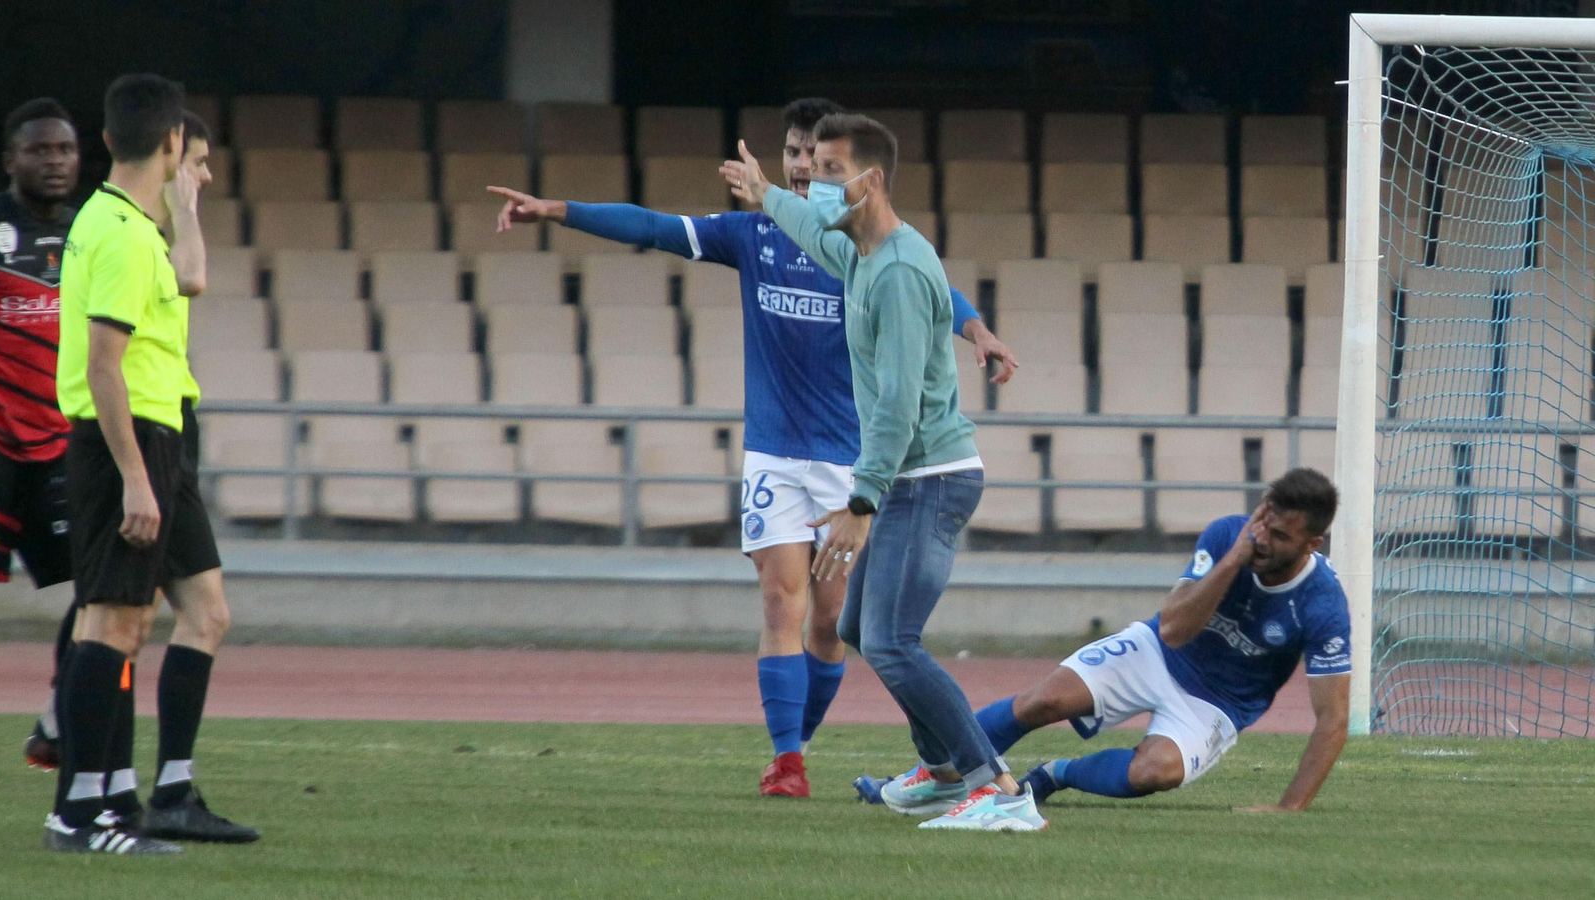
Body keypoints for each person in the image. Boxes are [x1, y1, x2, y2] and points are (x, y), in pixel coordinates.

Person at [489, 98, 1019, 799]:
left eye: (824, 161)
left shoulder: (873, 256)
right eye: (800, 155)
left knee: (844, 624)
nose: (809, 169)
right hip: (781, 450)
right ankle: (797, 758)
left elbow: (921, 310)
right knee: (797, 606)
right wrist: (558, 210)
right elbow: (654, 226)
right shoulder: (780, 236)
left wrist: (975, 326)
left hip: (862, 460)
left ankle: (975, 780)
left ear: (863, 177)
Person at [721, 113, 1045, 831]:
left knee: (893, 641)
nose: (817, 185)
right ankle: (940, 772)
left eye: (831, 173)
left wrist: (861, 501)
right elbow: (809, 230)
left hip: (929, 480)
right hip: (911, 480)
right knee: (866, 630)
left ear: (868, 181)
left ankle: (997, 789)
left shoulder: (896, 272)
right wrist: (765, 193)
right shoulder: (862, 253)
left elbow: (898, 403)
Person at [857, 468, 1352, 815]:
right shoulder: (1229, 535)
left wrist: (1289, 808)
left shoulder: (1322, 604)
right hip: (1158, 651)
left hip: (1219, 702)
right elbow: (1174, 629)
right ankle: (926, 780)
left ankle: (1055, 774)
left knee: (1153, 772)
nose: (1263, 540)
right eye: (1264, 522)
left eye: (1281, 536)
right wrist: (1233, 560)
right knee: (1043, 699)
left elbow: (1332, 721)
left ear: (1313, 544)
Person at [45, 74, 253, 854]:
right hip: (123, 442)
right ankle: (82, 813)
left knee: (187, 614)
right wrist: (136, 474)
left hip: (152, 436)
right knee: (112, 623)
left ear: (106, 140)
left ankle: (144, 797)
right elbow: (104, 365)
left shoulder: (121, 221)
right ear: (172, 143)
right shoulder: (126, 235)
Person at [0, 100, 81, 761]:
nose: (55, 161)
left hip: (60, 450)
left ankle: (57, 724)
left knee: (107, 592)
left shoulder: (90, 234)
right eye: (40, 150)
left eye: (65, 150)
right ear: (11, 160)